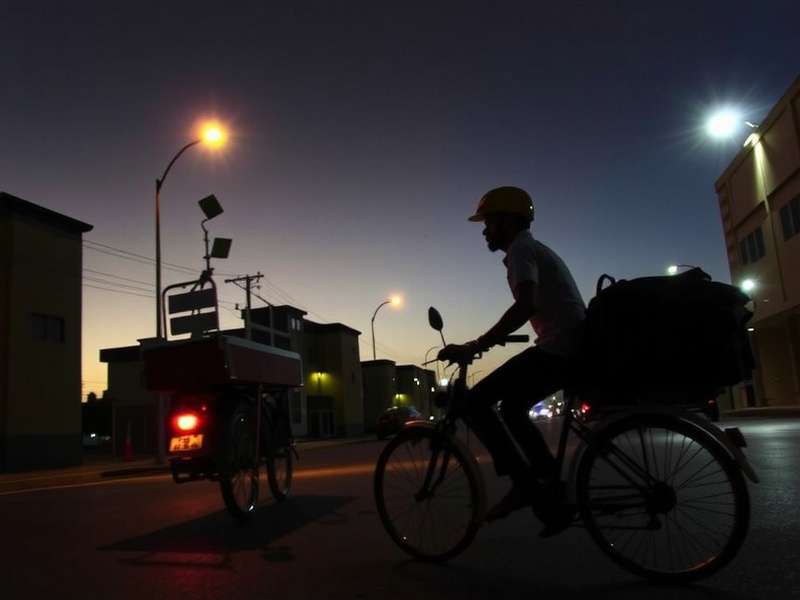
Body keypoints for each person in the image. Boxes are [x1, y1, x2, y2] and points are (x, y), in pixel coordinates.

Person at [437, 186, 586, 537]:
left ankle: (526, 485)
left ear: (507, 220)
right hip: (570, 347)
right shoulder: (530, 250)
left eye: (488, 222)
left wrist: (477, 344)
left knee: (475, 402)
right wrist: (490, 341)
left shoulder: (521, 250)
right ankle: (549, 487)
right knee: (513, 409)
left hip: (559, 349)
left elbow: (526, 305)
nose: (484, 230)